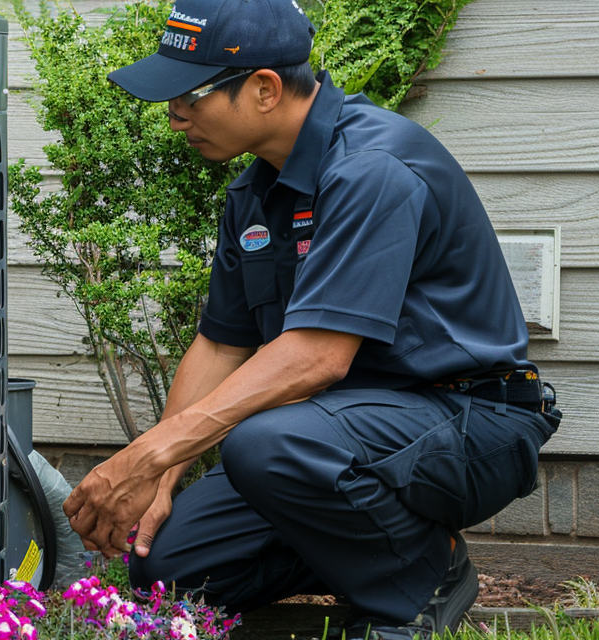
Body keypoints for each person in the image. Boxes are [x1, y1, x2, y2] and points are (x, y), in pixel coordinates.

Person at [57, 0, 562, 638]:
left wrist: (145, 456)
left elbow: (319, 356)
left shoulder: (371, 168)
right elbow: (220, 346)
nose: (173, 114)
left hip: (467, 422)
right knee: (172, 571)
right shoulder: (255, 193)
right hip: (339, 440)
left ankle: (422, 580)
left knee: (266, 443)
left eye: (189, 94)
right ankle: (361, 555)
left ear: (264, 88)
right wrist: (161, 480)